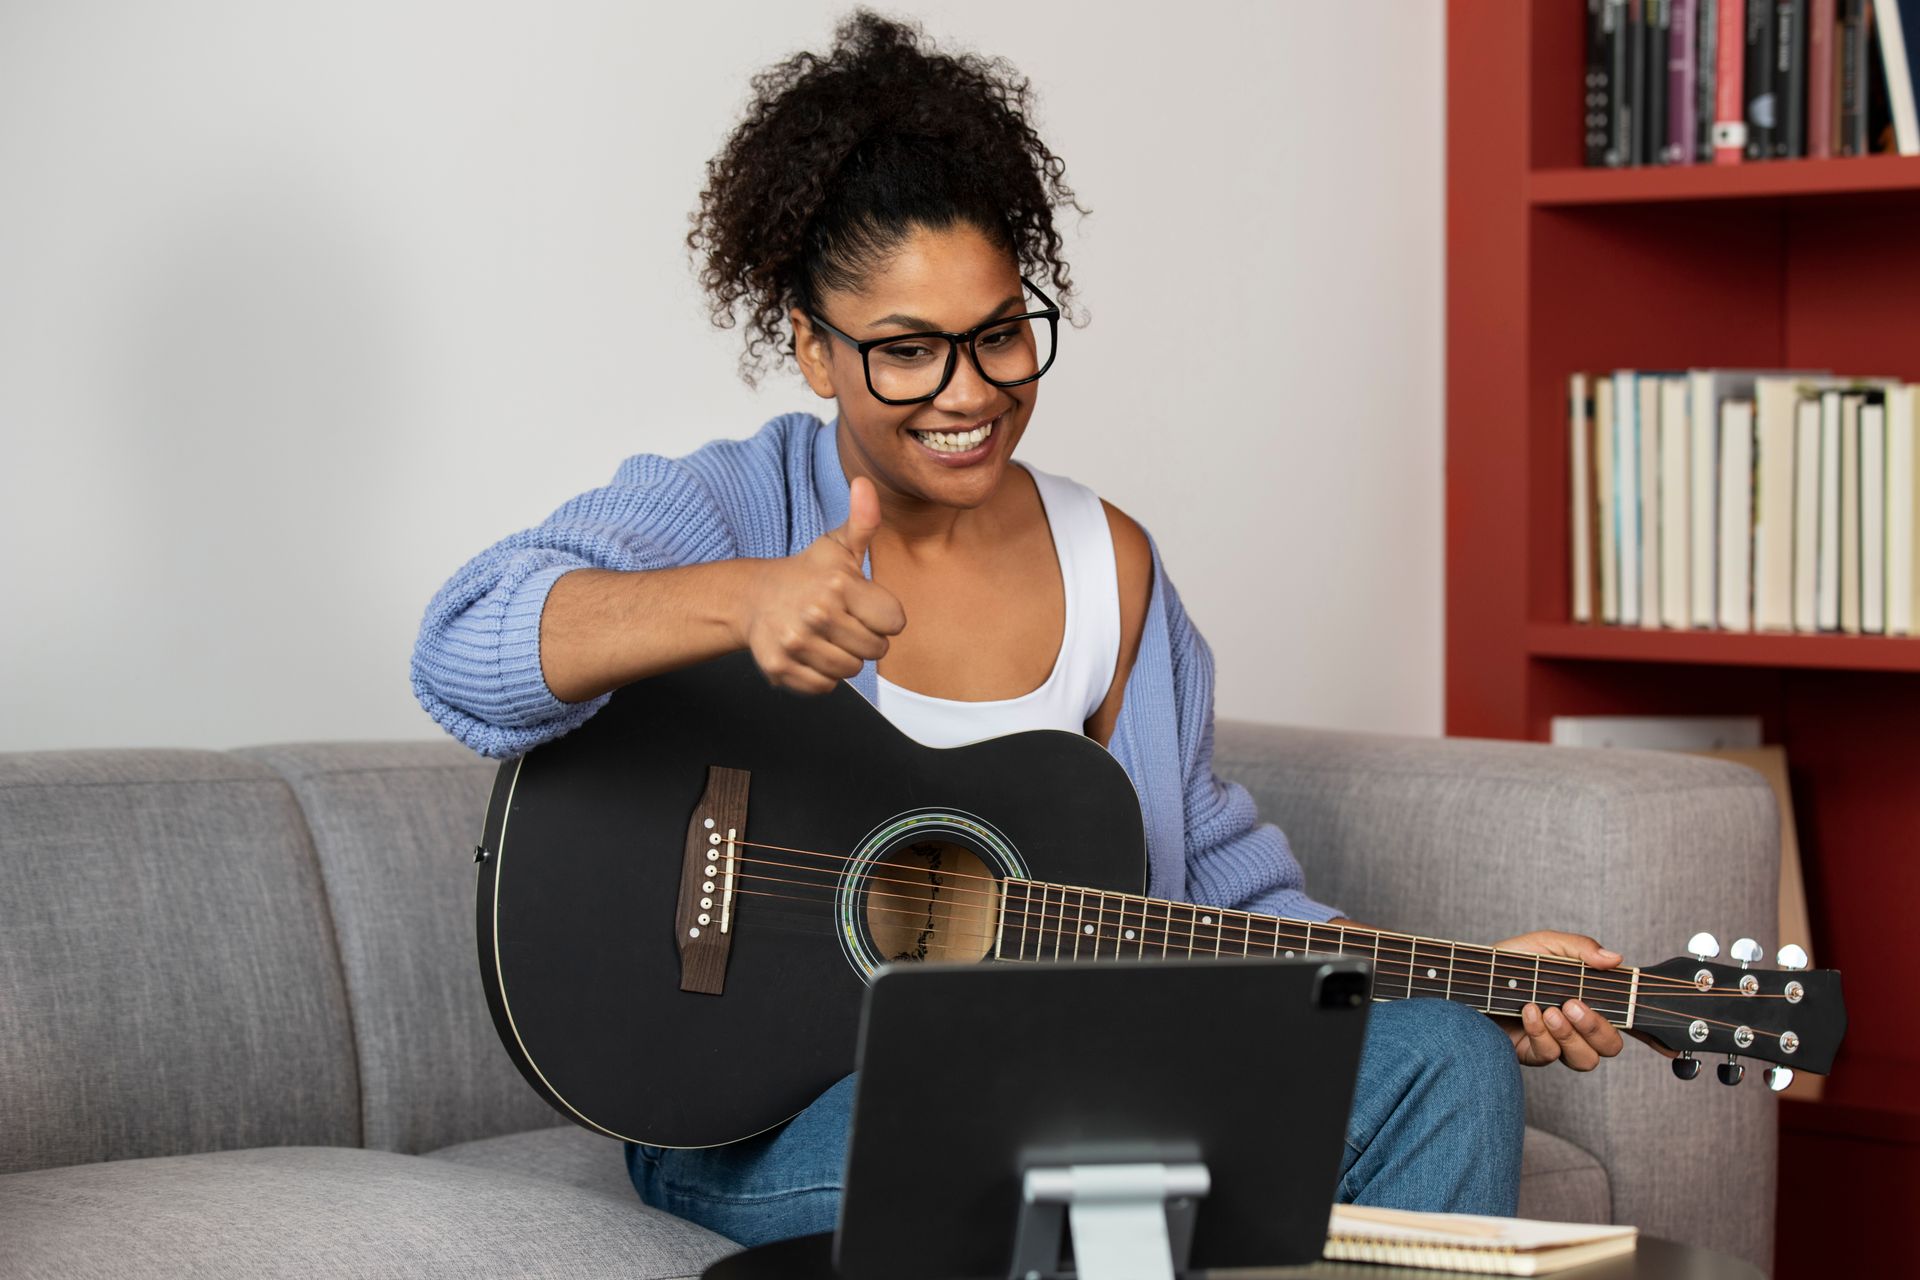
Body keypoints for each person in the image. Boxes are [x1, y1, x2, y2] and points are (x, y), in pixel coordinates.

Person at [411, 10, 1625, 1249]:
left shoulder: (1115, 569)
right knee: (1067, 1139)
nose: (969, 392)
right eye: (905, 352)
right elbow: (462, 646)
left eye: (998, 333)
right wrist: (742, 595)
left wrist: (1471, 973)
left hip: (1069, 1083)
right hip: (765, 1109)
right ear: (811, 349)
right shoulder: (743, 503)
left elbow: (1215, 898)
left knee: (1447, 1062)